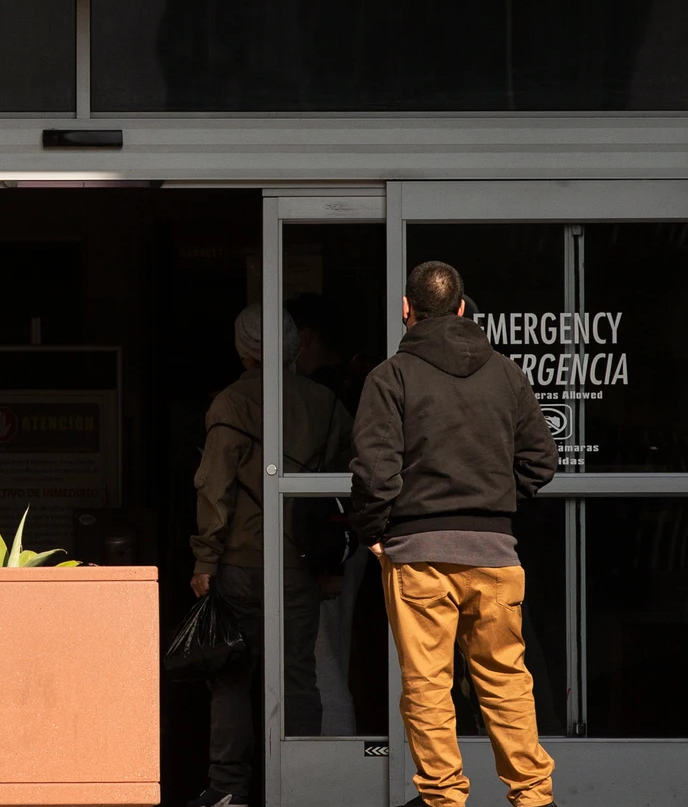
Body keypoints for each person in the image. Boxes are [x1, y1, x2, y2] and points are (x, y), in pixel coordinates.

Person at [349, 262, 560, 807]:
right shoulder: (506, 374)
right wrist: (493, 501)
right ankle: (534, 796)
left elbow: (375, 472)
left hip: (419, 556)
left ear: (407, 309)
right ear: (464, 307)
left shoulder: (390, 376)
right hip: (494, 554)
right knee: (505, 678)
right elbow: (541, 461)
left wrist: (374, 531)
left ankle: (443, 797)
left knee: (427, 684)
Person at [187, 304, 350, 807]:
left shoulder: (231, 403)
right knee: (297, 674)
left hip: (238, 563)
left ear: (242, 349)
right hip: (299, 564)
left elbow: (214, 486)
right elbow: (342, 489)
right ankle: (302, 786)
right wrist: (331, 564)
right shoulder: (325, 403)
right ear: (295, 346)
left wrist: (205, 559)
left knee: (231, 676)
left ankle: (229, 788)